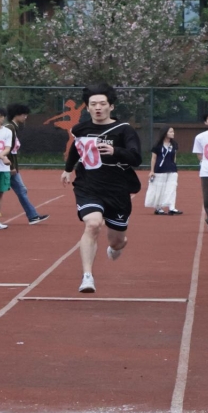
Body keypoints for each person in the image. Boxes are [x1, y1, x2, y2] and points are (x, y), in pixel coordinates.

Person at [61, 84, 142, 294]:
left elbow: (136, 158)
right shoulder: (80, 130)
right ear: (87, 107)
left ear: (111, 106)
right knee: (93, 224)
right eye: (93, 104)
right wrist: (68, 170)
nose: (98, 107)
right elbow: (76, 149)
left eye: (102, 104)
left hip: (117, 190)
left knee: (117, 241)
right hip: (88, 185)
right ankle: (87, 276)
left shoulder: (124, 130)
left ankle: (116, 246)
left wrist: (115, 151)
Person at [5, 104, 49, 225]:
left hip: (12, 167)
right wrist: (11, 167)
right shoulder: (10, 128)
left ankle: (33, 216)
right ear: (16, 114)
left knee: (20, 190)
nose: (26, 117)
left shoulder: (14, 128)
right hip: (8, 167)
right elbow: (7, 150)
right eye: (24, 114)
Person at [145, 126, 181, 216]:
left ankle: (172, 207)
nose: (173, 133)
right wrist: (152, 171)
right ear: (165, 133)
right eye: (171, 132)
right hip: (160, 170)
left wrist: (174, 166)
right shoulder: (157, 145)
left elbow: (174, 157)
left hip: (172, 169)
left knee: (172, 188)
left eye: (173, 131)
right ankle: (158, 208)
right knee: (159, 188)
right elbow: (153, 158)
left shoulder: (174, 144)